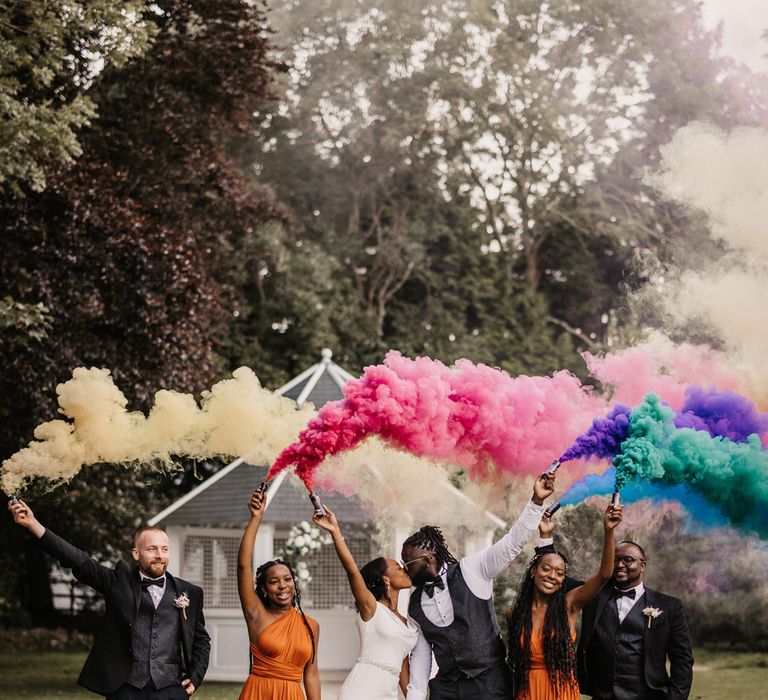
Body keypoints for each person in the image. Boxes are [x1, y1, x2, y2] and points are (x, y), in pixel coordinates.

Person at [7, 498, 210, 699]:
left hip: (171, 690)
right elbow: (78, 560)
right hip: (126, 689)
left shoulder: (189, 592)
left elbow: (201, 640)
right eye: (152, 549)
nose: (159, 555)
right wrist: (33, 525)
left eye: (164, 549)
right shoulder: (117, 582)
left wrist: (196, 676)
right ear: (136, 553)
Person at [402, 473, 556, 700]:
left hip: (489, 683)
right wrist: (414, 696)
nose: (405, 569)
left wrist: (536, 501)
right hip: (446, 688)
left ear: (428, 559)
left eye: (408, 563)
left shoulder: (472, 570)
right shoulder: (414, 606)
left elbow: (512, 543)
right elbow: (422, 656)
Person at [505, 502, 623, 699]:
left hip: (561, 691)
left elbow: (604, 575)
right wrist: (544, 536)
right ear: (533, 571)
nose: (553, 576)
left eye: (560, 573)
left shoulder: (569, 605)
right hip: (528, 692)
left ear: (563, 582)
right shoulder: (515, 613)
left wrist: (609, 531)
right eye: (546, 569)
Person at [313, 505, 418, 699]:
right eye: (399, 567)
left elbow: (404, 669)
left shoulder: (407, 622)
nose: (405, 569)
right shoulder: (371, 608)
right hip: (362, 689)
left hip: (388, 693)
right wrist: (335, 532)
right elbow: (352, 571)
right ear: (385, 579)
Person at [577, 539, 694, 700]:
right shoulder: (592, 597)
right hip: (602, 695)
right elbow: (556, 578)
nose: (620, 565)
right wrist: (545, 536)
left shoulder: (669, 606)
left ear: (642, 565)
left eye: (628, 560)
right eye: (615, 560)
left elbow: (682, 659)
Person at [236, 487, 320, 700]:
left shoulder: (311, 626)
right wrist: (256, 518)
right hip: (259, 693)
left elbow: (311, 674)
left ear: (294, 583)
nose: (282, 586)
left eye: (287, 579)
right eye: (274, 582)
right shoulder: (256, 614)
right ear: (264, 589)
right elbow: (243, 567)